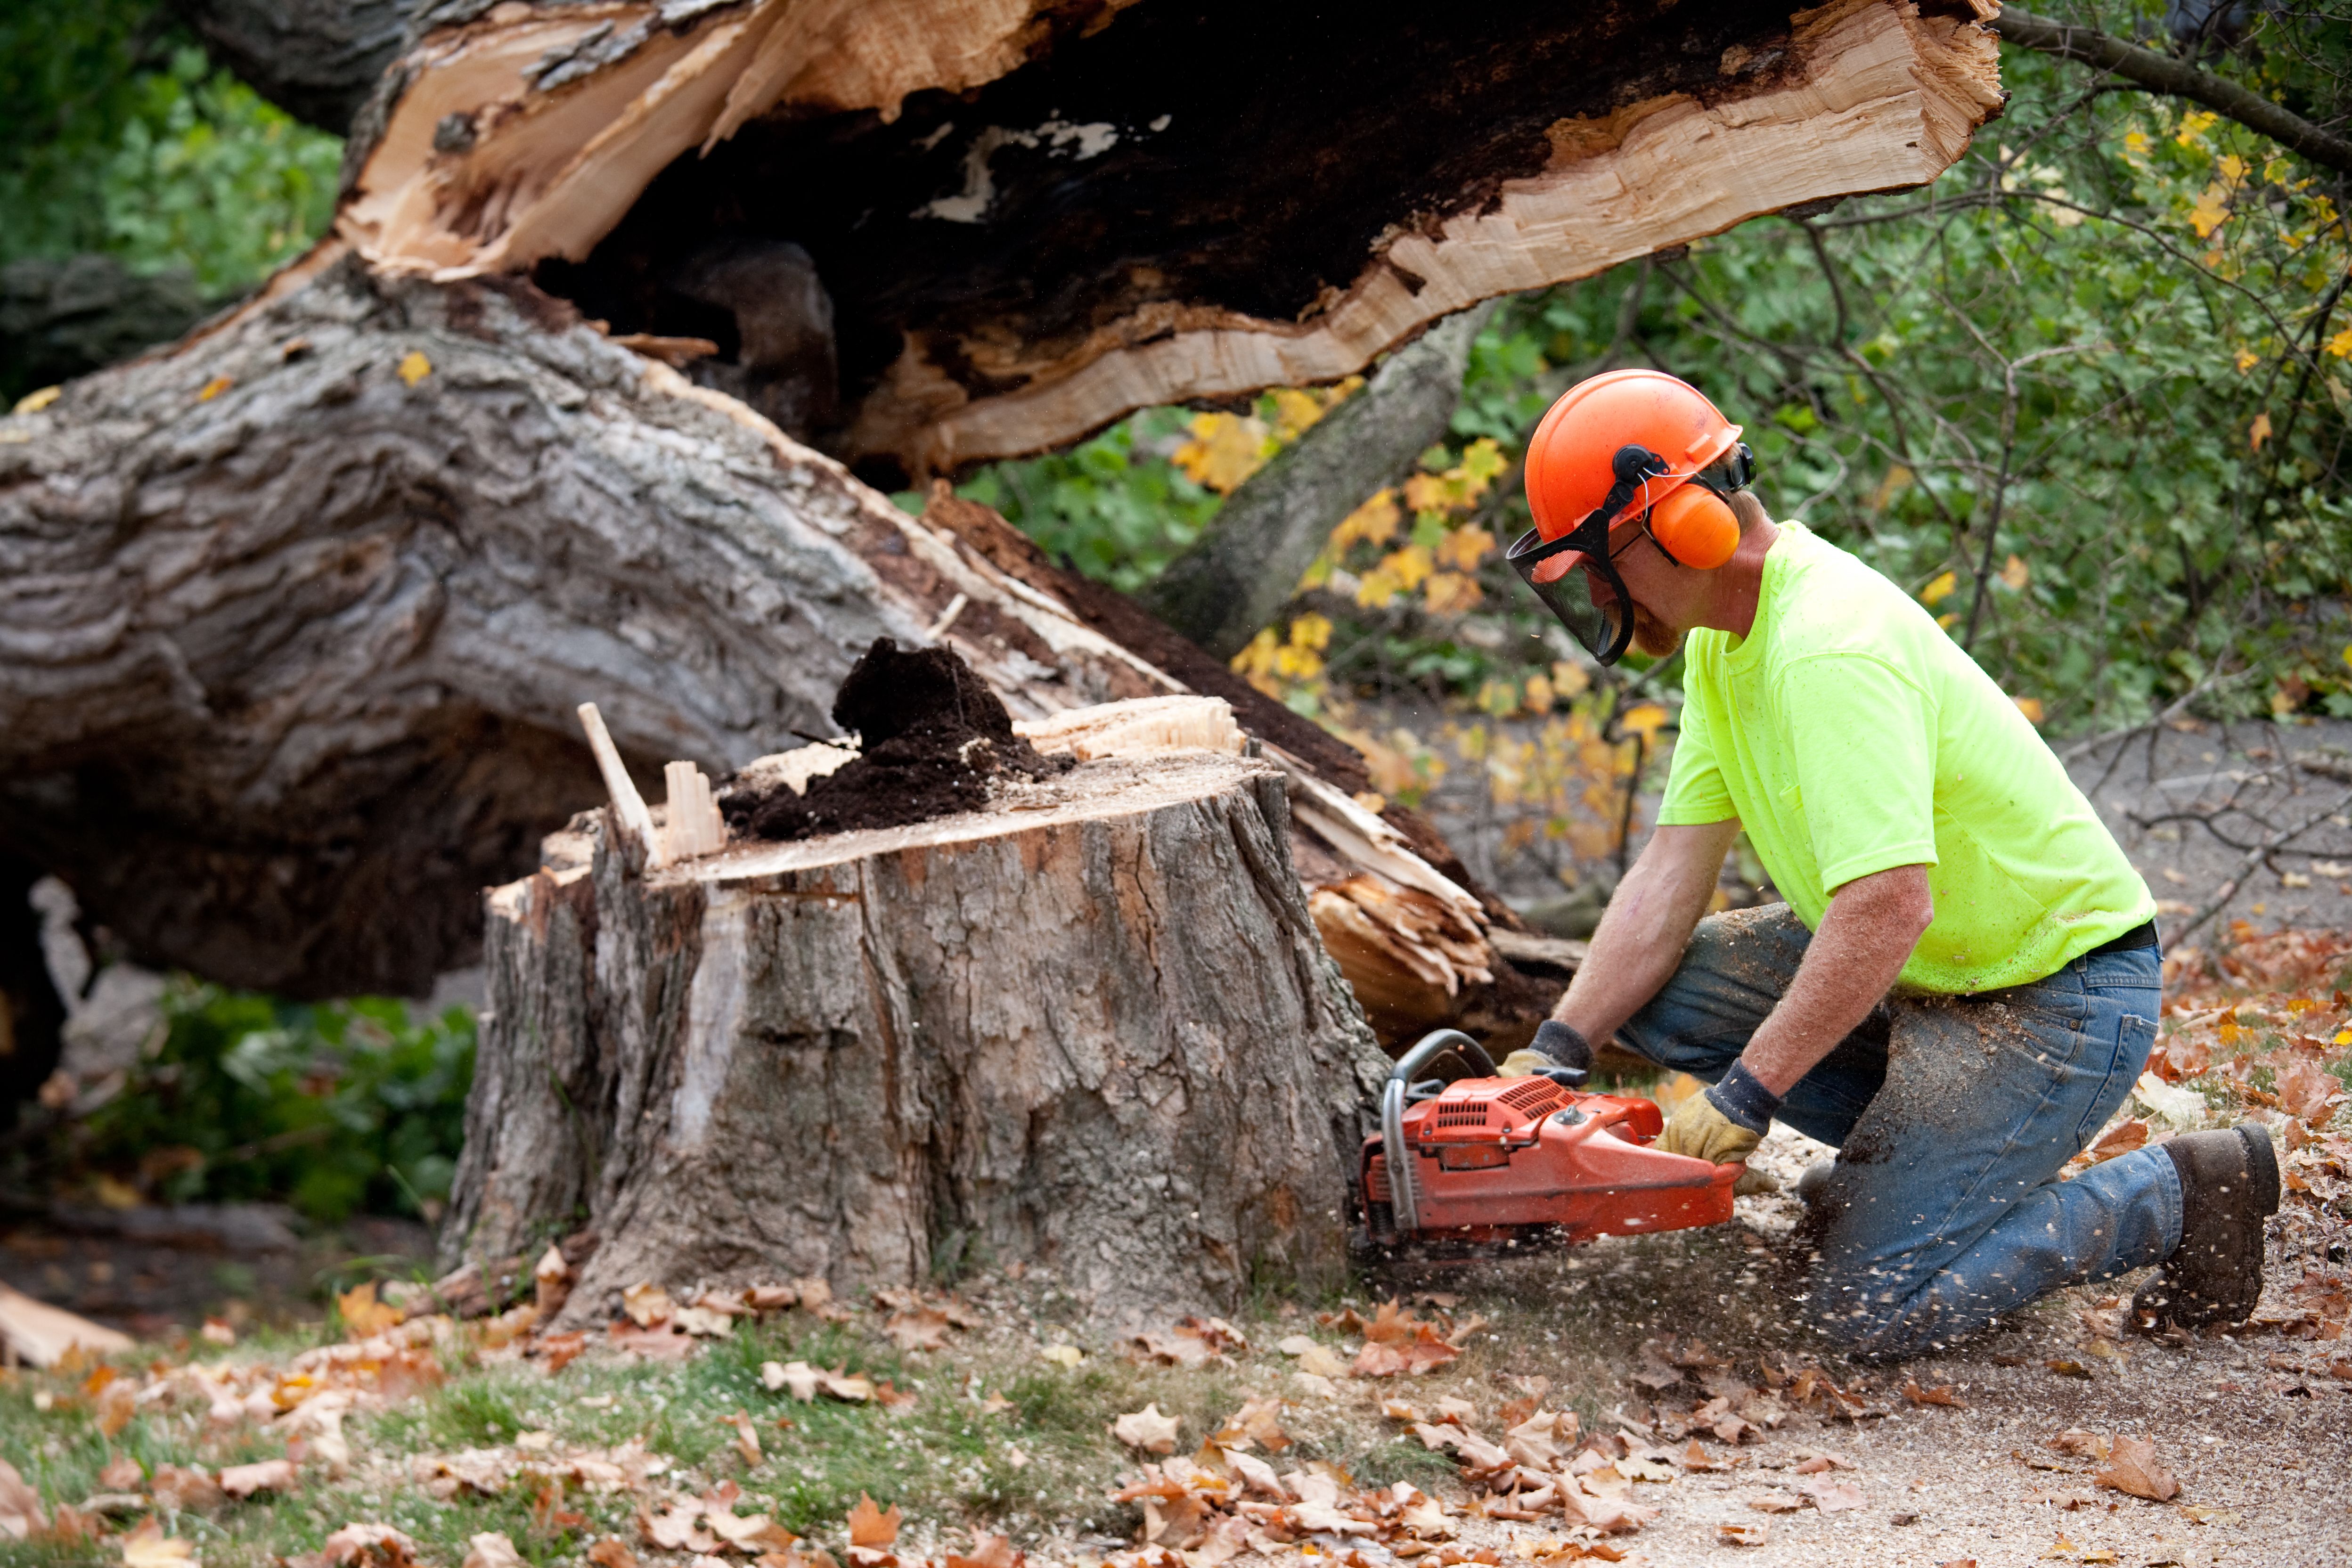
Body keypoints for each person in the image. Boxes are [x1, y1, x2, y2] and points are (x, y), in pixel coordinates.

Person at [1499, 369, 2278, 1356]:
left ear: (1686, 525)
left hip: (2054, 996)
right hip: (1932, 974)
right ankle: (1920, 1173)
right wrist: (1557, 1048)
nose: (1603, 596)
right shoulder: (1721, 639)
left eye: (1605, 565)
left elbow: (1886, 905)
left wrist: (1746, 1093)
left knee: (1855, 1314)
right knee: (1667, 993)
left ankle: (2178, 1192)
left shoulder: (1826, 647)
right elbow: (1668, 875)